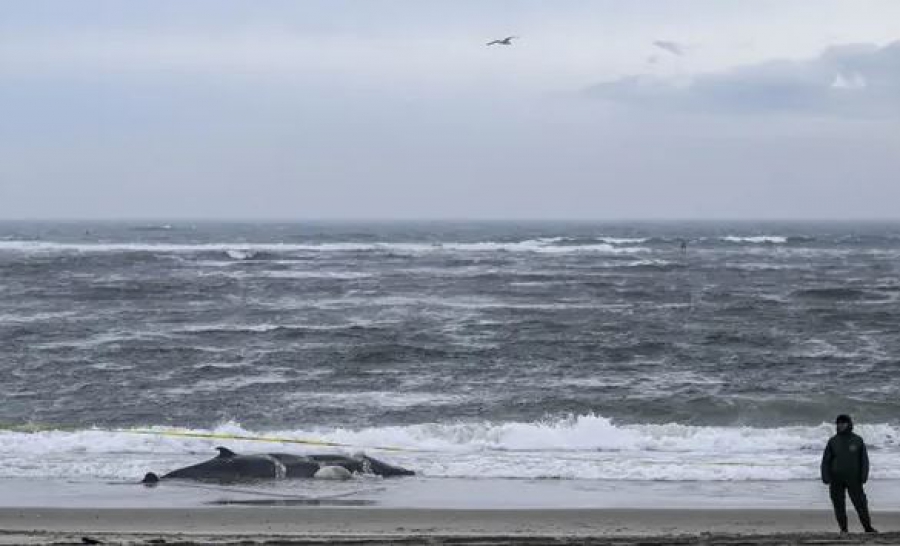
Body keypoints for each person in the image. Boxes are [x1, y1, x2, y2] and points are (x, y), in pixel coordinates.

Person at [821, 414, 877, 534]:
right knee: (838, 505)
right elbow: (826, 461)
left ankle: (868, 528)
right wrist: (825, 476)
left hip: (854, 478)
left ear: (849, 424)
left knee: (860, 504)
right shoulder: (833, 441)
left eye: (843, 423)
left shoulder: (857, 440)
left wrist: (864, 475)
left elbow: (864, 460)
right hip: (836, 479)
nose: (841, 425)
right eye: (839, 423)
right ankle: (843, 529)